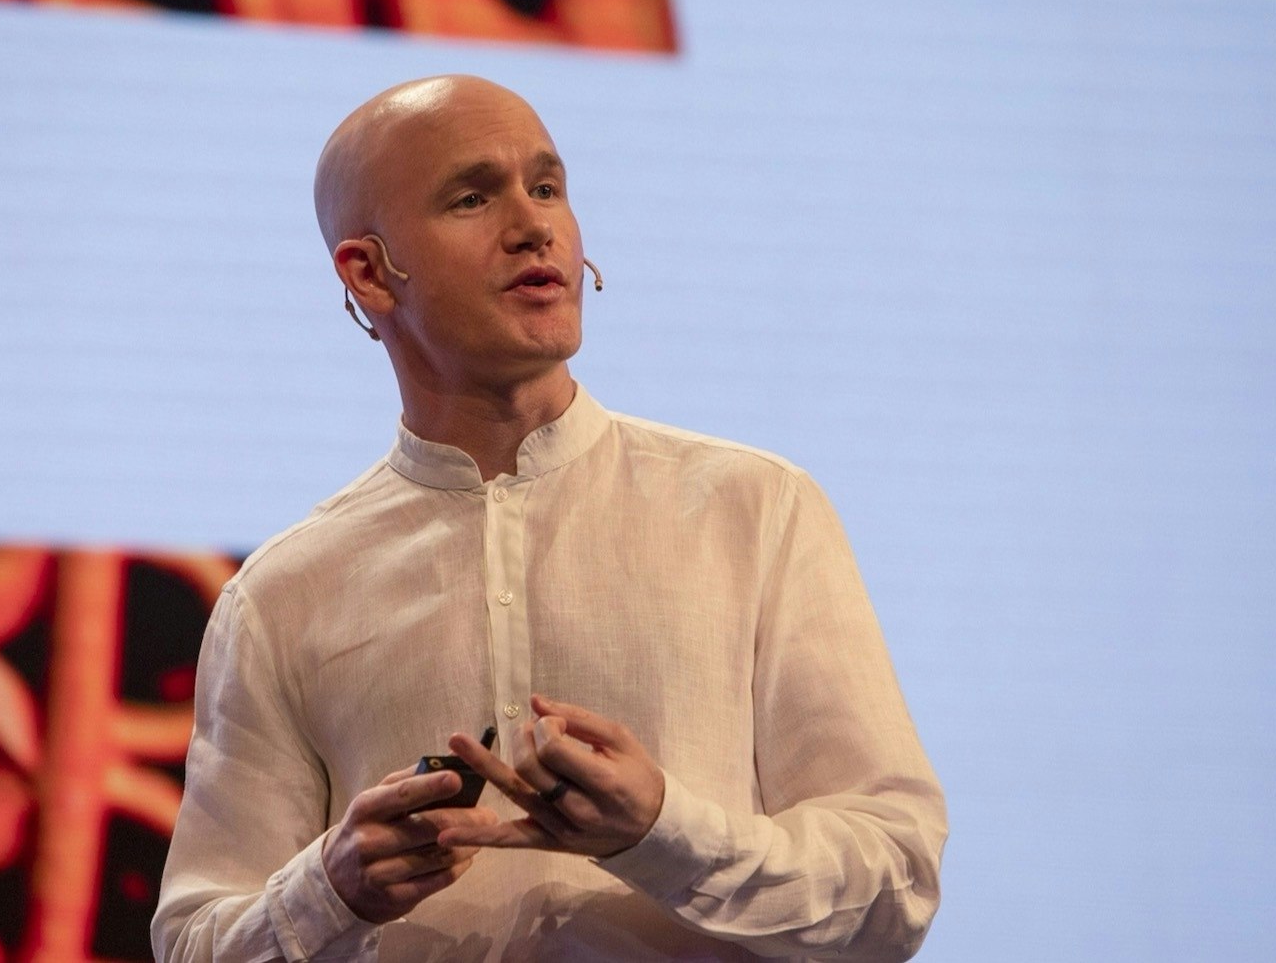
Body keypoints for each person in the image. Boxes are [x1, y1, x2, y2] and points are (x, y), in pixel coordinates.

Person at [152, 75, 946, 962]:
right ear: (368, 273)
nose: (535, 226)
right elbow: (195, 941)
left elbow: (894, 885)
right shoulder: (284, 595)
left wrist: (659, 830)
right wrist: (330, 889)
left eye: (547, 186)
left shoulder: (754, 508)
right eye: (472, 197)